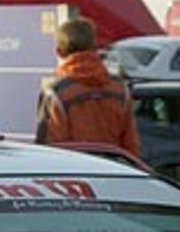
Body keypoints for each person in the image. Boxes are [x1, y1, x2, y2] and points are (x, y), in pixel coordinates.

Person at [36, 17, 140, 156]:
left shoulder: (57, 93)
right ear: (94, 47)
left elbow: (50, 148)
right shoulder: (120, 90)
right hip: (113, 171)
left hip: (75, 172)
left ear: (59, 52)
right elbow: (131, 145)